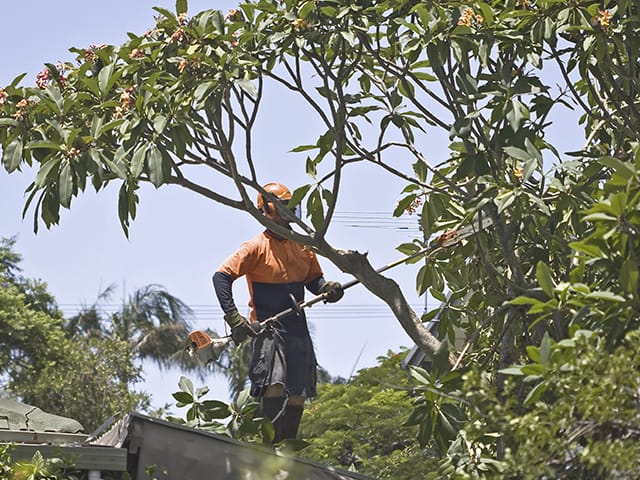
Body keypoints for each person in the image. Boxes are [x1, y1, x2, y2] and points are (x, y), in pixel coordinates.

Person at [212, 182, 343, 443]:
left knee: (298, 392)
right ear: (268, 209)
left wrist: (327, 288)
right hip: (268, 328)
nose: (291, 210)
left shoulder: (302, 244)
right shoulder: (255, 247)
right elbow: (221, 277)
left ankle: (288, 448)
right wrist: (234, 318)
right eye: (285, 205)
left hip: (297, 327)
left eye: (292, 205)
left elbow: (314, 279)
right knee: (274, 385)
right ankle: (269, 449)